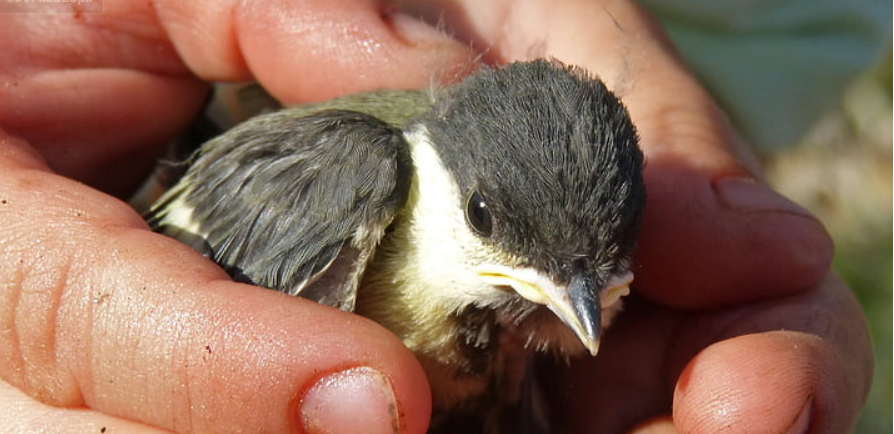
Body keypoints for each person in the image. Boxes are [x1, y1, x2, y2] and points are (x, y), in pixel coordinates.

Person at [0, 1, 879, 433]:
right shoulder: (354, 177)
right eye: (490, 223)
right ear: (455, 182)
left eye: (596, 272)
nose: (572, 305)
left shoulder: (561, 296)